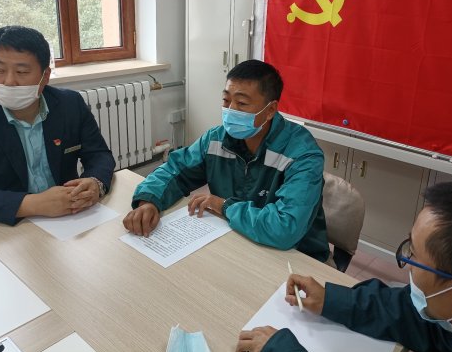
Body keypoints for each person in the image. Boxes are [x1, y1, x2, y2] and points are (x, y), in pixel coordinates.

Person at [237, 178, 452, 352]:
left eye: (414, 256)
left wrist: (283, 351)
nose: (407, 264)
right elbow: (416, 318)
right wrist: (331, 299)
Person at [123, 60, 330, 262]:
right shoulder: (216, 138)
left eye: (242, 103)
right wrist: (149, 201)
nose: (230, 110)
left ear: (270, 110)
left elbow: (285, 228)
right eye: (226, 100)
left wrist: (224, 206)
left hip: (295, 258)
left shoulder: (302, 154)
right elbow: (174, 170)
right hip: (237, 241)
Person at [0, 26, 115, 225]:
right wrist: (33, 204)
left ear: (45, 76)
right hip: (3, 228)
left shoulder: (70, 104)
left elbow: (99, 154)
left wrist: (95, 182)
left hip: (68, 219)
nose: (9, 81)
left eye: (22, 71)